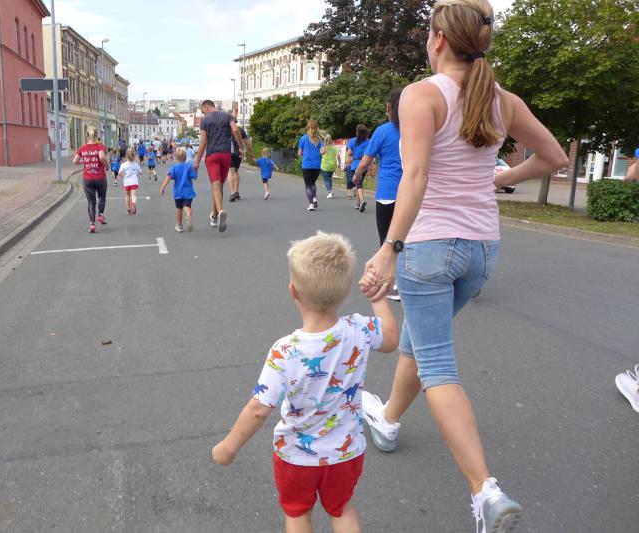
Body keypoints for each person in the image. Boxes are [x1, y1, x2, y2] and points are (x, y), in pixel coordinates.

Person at [358, 1, 568, 531]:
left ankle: (484, 491)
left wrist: (389, 248)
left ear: (439, 40)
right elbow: (555, 158)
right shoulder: (503, 100)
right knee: (420, 341)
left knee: (437, 365)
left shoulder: (421, 94)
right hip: (482, 251)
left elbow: (416, 177)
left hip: (431, 247)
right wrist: (499, 179)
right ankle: (388, 420)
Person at [212, 231, 399, 533]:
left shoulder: (285, 351)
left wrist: (229, 447)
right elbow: (390, 339)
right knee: (341, 509)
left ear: (293, 291)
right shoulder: (359, 329)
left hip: (296, 456)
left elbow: (258, 409)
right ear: (345, 290)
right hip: (346, 452)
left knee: (297, 513)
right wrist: (377, 300)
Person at [355, 88, 404, 300]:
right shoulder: (416, 128)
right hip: (412, 194)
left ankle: (392, 286)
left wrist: (356, 174)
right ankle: (409, 281)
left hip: (387, 193)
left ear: (388, 107)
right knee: (409, 239)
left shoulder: (382, 131)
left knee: (387, 241)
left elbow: (366, 161)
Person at [193, 100, 245, 232]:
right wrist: (240, 147)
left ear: (207, 106)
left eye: (203, 111)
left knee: (215, 187)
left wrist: (197, 161)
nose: (203, 114)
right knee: (220, 186)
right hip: (225, 155)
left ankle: (220, 211)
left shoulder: (205, 121)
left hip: (212, 156)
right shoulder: (227, 116)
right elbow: (236, 130)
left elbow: (203, 142)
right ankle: (215, 216)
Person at [73, 129, 108, 233]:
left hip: (87, 178)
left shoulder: (82, 148)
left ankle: (92, 224)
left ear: (87, 136)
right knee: (102, 197)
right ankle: (100, 215)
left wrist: (85, 161)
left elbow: (75, 161)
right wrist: (107, 165)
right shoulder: (100, 146)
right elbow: (102, 157)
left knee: (91, 202)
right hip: (100, 177)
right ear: (97, 135)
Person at [160, 147, 197, 233]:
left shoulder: (174, 168)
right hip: (188, 192)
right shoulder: (189, 167)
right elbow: (195, 177)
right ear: (186, 157)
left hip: (178, 192)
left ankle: (179, 226)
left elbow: (168, 177)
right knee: (187, 206)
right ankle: (188, 215)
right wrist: (195, 170)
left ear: (176, 158)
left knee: (179, 209)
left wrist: (163, 187)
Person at [298, 119, 325, 211]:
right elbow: (323, 151)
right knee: (312, 183)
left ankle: (311, 204)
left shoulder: (303, 138)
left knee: (308, 185)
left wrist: (305, 153)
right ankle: (314, 198)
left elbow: (299, 153)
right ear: (316, 127)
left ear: (307, 127)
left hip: (306, 165)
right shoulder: (319, 139)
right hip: (316, 165)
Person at [347, 125, 371, 212]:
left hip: (355, 164)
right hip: (365, 164)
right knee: (359, 183)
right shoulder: (369, 141)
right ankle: (357, 203)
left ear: (357, 132)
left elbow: (349, 152)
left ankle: (362, 201)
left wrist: (351, 153)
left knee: (358, 184)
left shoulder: (352, 141)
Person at [228, 124, 253, 202]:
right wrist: (251, 153)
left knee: (230, 171)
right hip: (238, 152)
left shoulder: (225, 130)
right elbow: (248, 143)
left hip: (228, 153)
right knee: (236, 171)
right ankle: (236, 192)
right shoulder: (241, 130)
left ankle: (232, 192)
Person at [118, 148, 143, 215]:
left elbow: (119, 173)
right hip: (134, 181)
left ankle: (128, 209)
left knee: (127, 195)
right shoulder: (136, 164)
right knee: (133, 196)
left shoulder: (123, 164)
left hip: (126, 182)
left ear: (126, 156)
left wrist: (123, 175)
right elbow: (141, 172)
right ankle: (133, 203)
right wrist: (136, 173)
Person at [320, 135, 340, 199]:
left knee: (326, 180)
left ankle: (330, 192)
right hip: (333, 165)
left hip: (325, 165)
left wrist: (323, 145)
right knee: (329, 178)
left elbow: (321, 153)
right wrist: (339, 164)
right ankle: (331, 190)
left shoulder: (323, 147)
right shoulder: (334, 147)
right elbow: (338, 156)